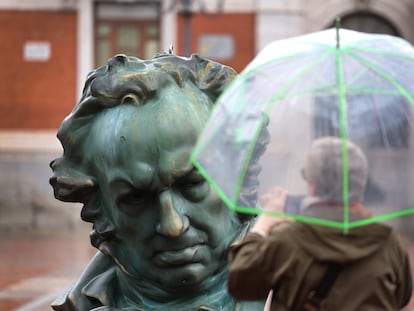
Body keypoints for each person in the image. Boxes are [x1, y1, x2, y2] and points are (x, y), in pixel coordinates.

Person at [49, 53, 266, 310]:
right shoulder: (82, 305)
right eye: (136, 198)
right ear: (102, 209)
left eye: (192, 185)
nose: (172, 226)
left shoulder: (298, 289)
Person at [227, 136, 413, 310]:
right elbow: (402, 297)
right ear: (361, 184)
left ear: (313, 183)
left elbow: (239, 283)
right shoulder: (390, 245)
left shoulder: (287, 241)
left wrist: (264, 222)